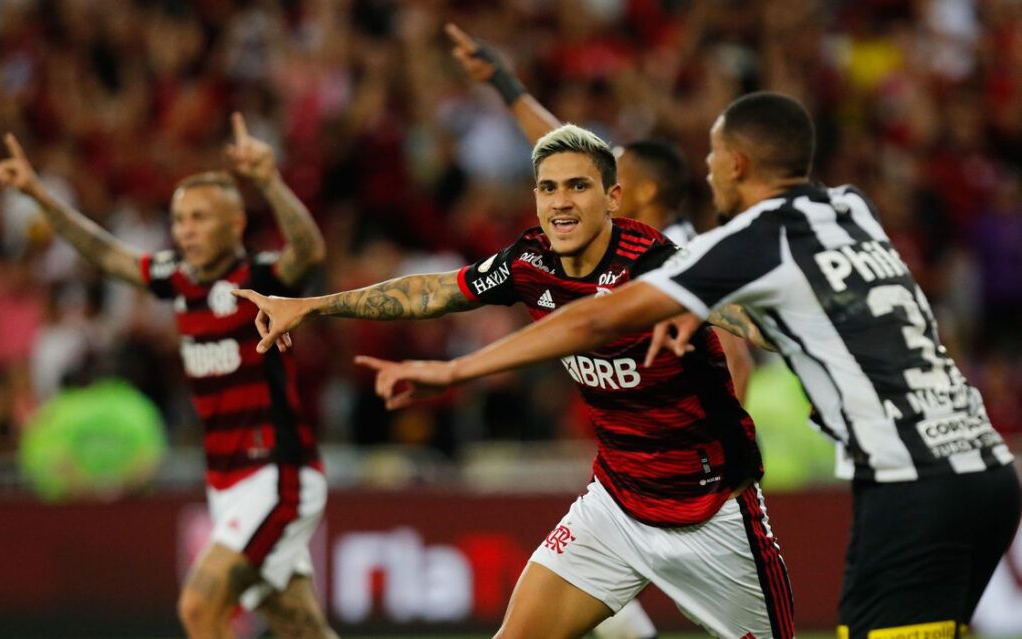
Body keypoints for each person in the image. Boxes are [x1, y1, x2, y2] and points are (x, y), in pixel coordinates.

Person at [346, 93, 1021, 639]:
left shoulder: (740, 245)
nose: (705, 169)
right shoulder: (849, 209)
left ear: (737, 164)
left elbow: (596, 318)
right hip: (985, 467)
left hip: (905, 483)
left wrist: (454, 371)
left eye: (712, 155)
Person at [235, 124, 793, 638]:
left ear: (613, 198)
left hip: (712, 511)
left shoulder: (659, 266)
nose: (561, 202)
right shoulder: (529, 261)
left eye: (577, 186)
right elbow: (434, 291)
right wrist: (312, 305)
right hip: (616, 507)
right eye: (548, 188)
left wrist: (811, 329)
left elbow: (757, 320)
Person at [0, 115, 337, 639]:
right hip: (226, 481)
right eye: (179, 218)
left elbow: (308, 252)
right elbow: (105, 252)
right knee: (301, 629)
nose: (186, 229)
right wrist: (39, 195)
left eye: (200, 217)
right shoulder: (176, 278)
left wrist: (269, 182)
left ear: (235, 224)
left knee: (199, 607)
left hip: (276, 473)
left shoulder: (259, 278)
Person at [445, 23, 753, 404]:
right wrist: (502, 81)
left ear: (645, 191)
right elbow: (556, 141)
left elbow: (737, 360)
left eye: (617, 170)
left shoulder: (683, 256)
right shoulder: (624, 236)